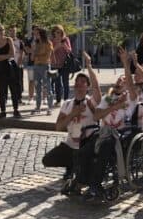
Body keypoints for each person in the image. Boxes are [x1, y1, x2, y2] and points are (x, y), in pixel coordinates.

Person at [43, 53, 101, 190]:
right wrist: (72, 114)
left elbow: (97, 89)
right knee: (47, 159)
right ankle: (71, 164)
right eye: (77, 83)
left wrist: (89, 66)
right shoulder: (67, 104)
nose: (79, 85)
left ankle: (76, 168)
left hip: (86, 142)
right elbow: (58, 127)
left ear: (87, 87)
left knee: (81, 156)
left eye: (82, 83)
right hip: (71, 143)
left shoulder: (90, 102)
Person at [89, 48, 138, 201]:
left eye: (122, 80)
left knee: (105, 146)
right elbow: (97, 115)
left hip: (120, 134)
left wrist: (125, 64)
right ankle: (82, 180)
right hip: (104, 131)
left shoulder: (131, 98)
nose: (119, 81)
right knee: (85, 148)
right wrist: (113, 107)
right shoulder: (108, 98)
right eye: (118, 80)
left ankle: (95, 184)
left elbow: (130, 83)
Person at [0, 23, 21, 119]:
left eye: (3, 29)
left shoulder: (8, 40)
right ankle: (3, 111)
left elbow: (12, 54)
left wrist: (1, 56)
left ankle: (16, 110)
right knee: (2, 90)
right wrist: (3, 57)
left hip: (10, 67)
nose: (2, 31)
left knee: (13, 89)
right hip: (0, 68)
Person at [30, 26, 54, 115]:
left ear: (41, 33)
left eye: (37, 33)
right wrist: (33, 51)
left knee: (47, 87)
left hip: (45, 66)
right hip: (36, 66)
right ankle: (38, 107)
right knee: (37, 87)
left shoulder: (48, 43)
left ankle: (50, 107)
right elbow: (32, 58)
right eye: (34, 33)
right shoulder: (35, 44)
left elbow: (47, 56)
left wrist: (37, 54)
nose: (35, 35)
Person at [50, 25, 73, 105]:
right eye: (57, 32)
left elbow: (69, 51)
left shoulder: (65, 39)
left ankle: (66, 100)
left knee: (65, 83)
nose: (59, 34)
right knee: (57, 83)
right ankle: (58, 100)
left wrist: (64, 46)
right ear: (54, 33)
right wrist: (57, 46)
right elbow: (50, 52)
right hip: (55, 64)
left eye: (60, 32)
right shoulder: (52, 40)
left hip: (65, 64)